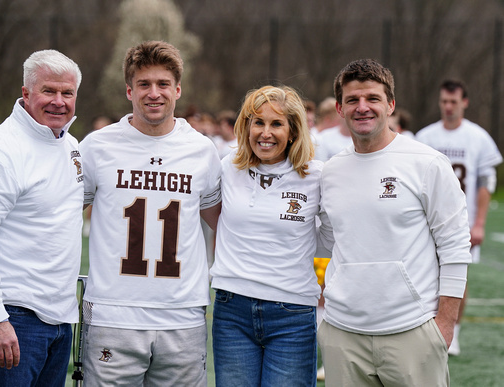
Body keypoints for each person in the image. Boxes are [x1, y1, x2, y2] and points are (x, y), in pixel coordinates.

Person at [317, 59, 472, 386]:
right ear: (339, 109)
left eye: (372, 99)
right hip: (344, 334)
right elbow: (328, 241)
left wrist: (444, 324)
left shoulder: (426, 163)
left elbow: (455, 245)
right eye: (352, 100)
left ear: (390, 105)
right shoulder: (329, 172)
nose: (363, 108)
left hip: (412, 331)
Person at [79, 40, 221, 386]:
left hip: (182, 316)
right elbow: (61, 214)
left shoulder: (202, 150)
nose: (153, 93)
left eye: (162, 84)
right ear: (129, 90)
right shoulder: (97, 146)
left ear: (178, 89)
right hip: (113, 314)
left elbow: (222, 224)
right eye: (144, 84)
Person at [0, 49, 84, 386]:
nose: (58, 101)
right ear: (26, 94)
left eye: (67, 93)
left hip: (58, 320)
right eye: (48, 91)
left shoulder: (70, 147)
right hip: (12, 318)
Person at [210, 85, 332, 387]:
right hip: (231, 309)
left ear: (292, 131)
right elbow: (212, 216)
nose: (266, 132)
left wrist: (294, 243)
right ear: (246, 126)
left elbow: (330, 236)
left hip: (292, 313)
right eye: (258, 122)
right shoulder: (228, 167)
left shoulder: (315, 175)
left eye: (276, 123)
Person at [416, 79, 503, 355]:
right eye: (444, 101)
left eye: (453, 102)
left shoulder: (477, 137)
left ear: (464, 102)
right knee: (425, 274)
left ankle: (454, 331)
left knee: (457, 276)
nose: (448, 107)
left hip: (462, 220)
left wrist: (479, 223)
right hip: (428, 218)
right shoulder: (426, 136)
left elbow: (486, 182)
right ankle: (422, 327)